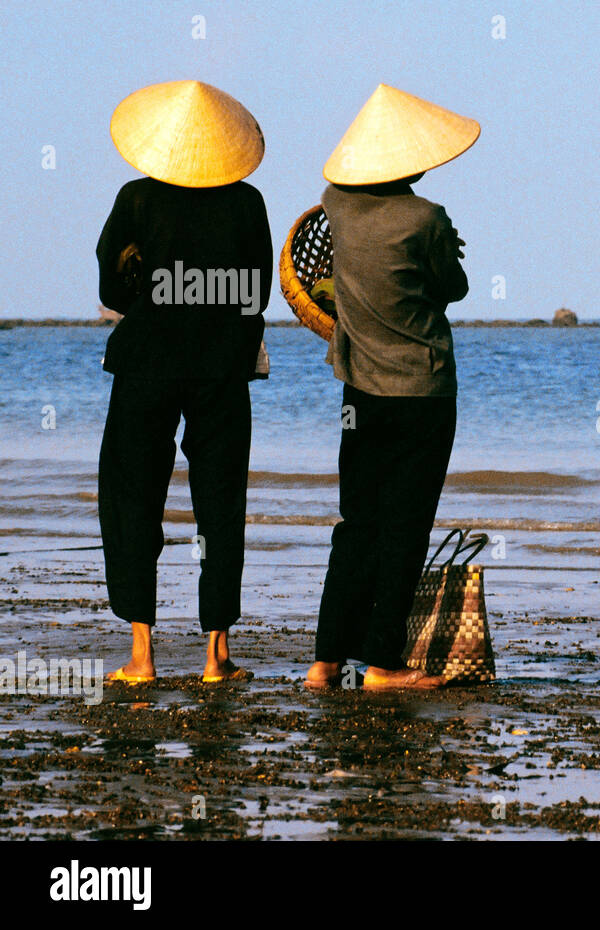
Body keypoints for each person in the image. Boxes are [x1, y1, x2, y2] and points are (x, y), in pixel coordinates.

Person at [95, 80, 272, 683]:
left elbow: (109, 288)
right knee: (221, 504)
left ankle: (142, 655)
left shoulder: (137, 200)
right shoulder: (247, 204)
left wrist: (150, 292)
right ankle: (215, 656)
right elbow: (255, 295)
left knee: (131, 499)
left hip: (146, 364)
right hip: (221, 369)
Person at [304, 85, 479, 691]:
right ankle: (381, 663)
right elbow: (451, 289)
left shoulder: (335, 203)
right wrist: (448, 253)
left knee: (356, 525)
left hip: (358, 397)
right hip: (420, 393)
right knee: (404, 528)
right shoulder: (426, 218)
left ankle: (325, 661)